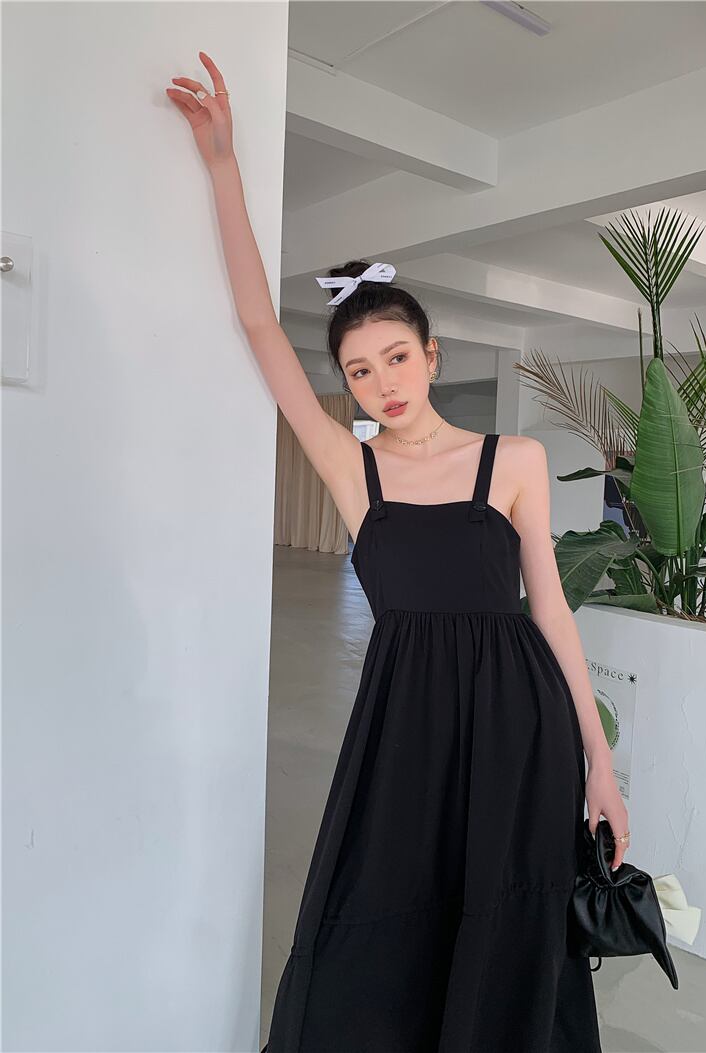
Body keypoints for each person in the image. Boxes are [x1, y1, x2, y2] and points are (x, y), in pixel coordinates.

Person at [167, 52, 629, 1053]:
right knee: (378, 911)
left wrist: (598, 759)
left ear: (432, 357)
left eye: (397, 358)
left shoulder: (513, 459)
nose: (382, 382)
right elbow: (258, 323)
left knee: (505, 910)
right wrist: (222, 163)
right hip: (401, 721)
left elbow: (549, 611)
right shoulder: (351, 467)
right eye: (359, 369)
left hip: (518, 721)